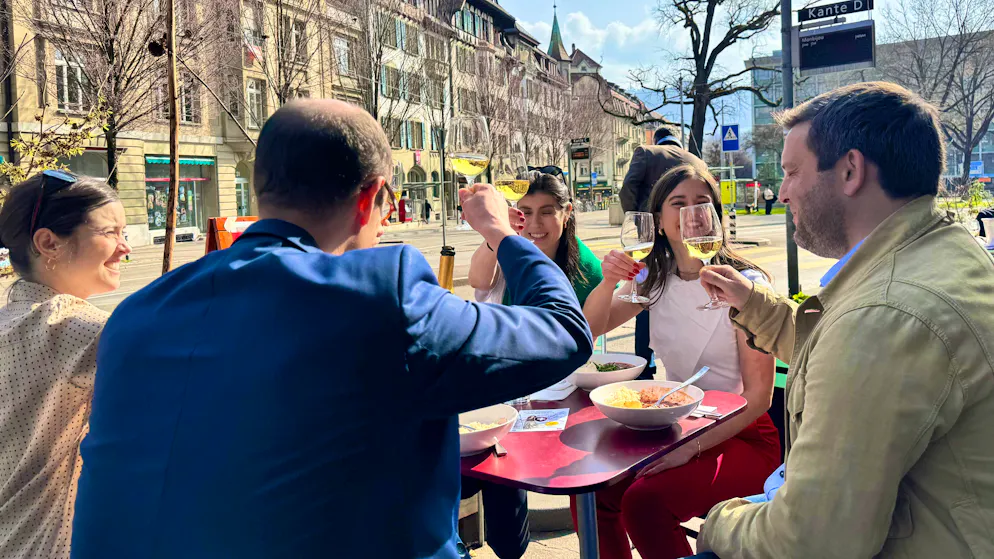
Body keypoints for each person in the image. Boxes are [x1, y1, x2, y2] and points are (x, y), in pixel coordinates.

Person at [71, 100, 593, 559]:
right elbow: (565, 330)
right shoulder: (381, 293)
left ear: (261, 193)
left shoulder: (136, 315)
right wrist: (499, 229)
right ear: (372, 199)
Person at [693, 82, 994, 558]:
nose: (783, 192)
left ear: (850, 170)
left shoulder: (885, 314)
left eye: (792, 172)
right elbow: (839, 353)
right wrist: (753, 303)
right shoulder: (937, 251)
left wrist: (717, 522)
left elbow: (809, 541)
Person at [575, 163, 780, 559]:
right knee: (592, 489)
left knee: (645, 503)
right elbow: (591, 328)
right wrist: (606, 280)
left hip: (743, 435)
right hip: (675, 424)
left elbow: (759, 398)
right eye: (679, 204)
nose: (692, 215)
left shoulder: (746, 286)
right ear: (659, 222)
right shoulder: (653, 277)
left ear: (717, 219)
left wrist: (692, 449)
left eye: (702, 204)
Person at [464, 172, 604, 559]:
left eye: (547, 212)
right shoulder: (507, 246)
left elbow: (584, 334)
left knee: (514, 493)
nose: (535, 223)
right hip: (499, 390)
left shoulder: (584, 267)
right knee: (485, 479)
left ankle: (511, 546)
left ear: (567, 213)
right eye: (525, 212)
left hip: (554, 396)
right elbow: (476, 277)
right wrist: (498, 233)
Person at [0, 172, 130, 558]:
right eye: (110, 232)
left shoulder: (9, 322)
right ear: (48, 242)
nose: (125, 247)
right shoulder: (74, 328)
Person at [620, 126, 706, 382]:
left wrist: (640, 224)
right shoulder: (696, 160)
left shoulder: (646, 152)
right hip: (689, 236)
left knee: (644, 295)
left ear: (657, 139)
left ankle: (644, 365)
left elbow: (628, 189)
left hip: (656, 236)